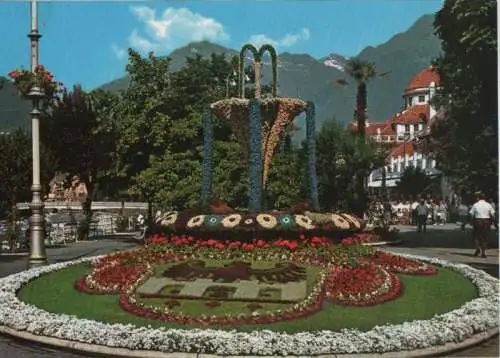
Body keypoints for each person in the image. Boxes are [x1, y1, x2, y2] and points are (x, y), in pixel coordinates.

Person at [469, 193, 495, 258]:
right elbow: (493, 214)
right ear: (485, 198)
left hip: (478, 220)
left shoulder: (476, 204)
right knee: (484, 237)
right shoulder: (488, 205)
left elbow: (471, 214)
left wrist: (471, 221)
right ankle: (483, 252)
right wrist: (492, 222)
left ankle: (478, 249)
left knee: (476, 236)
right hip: (486, 221)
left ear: (478, 198)